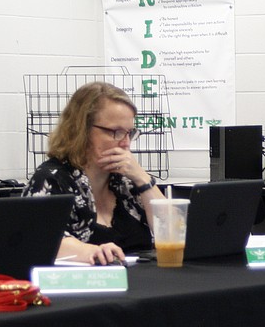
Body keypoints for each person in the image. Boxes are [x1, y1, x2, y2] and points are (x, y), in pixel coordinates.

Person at [23, 82, 165, 264]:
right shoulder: (51, 180)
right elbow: (41, 240)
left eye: (130, 133)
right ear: (82, 129)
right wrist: (95, 251)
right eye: (116, 132)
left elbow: (172, 233)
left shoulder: (125, 181)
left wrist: (143, 179)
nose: (126, 143)